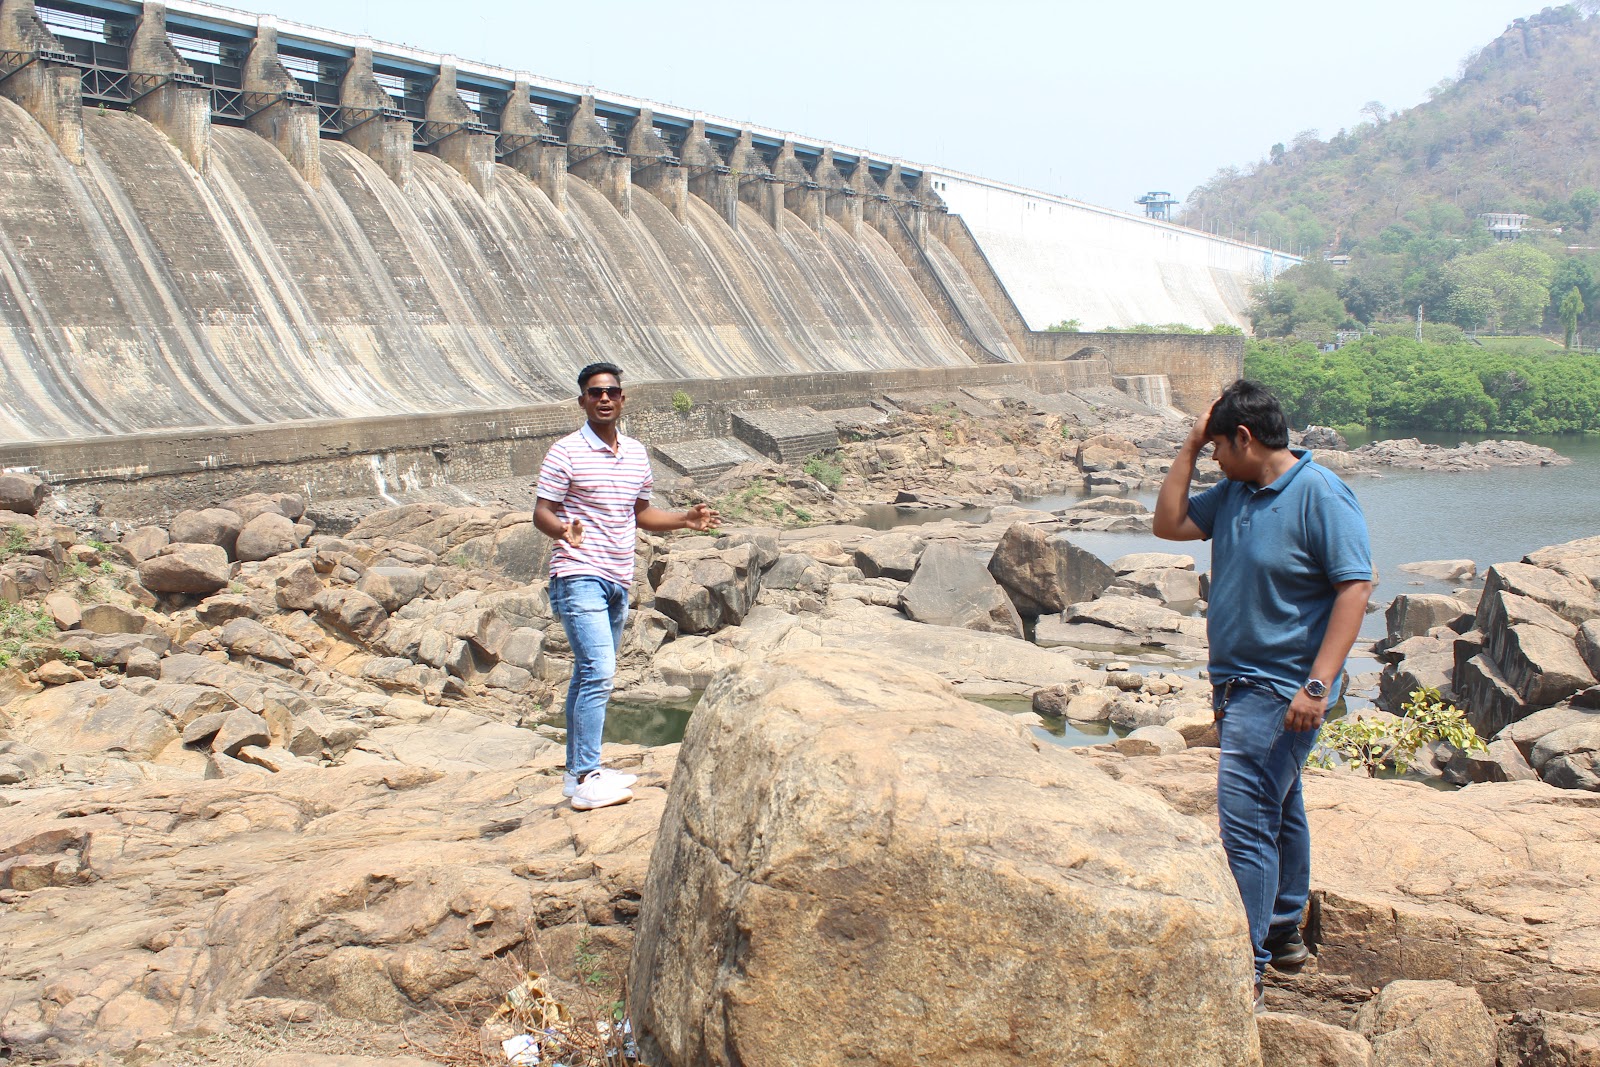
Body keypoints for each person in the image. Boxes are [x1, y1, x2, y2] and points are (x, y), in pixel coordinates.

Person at [1152, 379, 1373, 1009]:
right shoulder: (1235, 492)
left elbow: (1354, 588)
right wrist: (1191, 446)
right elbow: (1167, 523)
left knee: (1244, 824)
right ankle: (1283, 930)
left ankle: (1244, 969)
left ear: (1244, 439)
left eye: (1220, 446)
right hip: (1238, 684)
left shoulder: (1320, 494)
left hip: (1280, 690)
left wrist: (1317, 685)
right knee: (1282, 802)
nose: (1215, 458)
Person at [534, 362, 720, 811]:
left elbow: (641, 513)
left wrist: (684, 520)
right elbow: (541, 511)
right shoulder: (565, 452)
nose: (604, 398)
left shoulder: (636, 453)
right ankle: (586, 777)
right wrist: (562, 531)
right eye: (594, 392)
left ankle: (577, 773)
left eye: (611, 391)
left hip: (619, 578)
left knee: (587, 674)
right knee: (598, 671)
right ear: (582, 401)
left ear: (622, 399)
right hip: (578, 572)